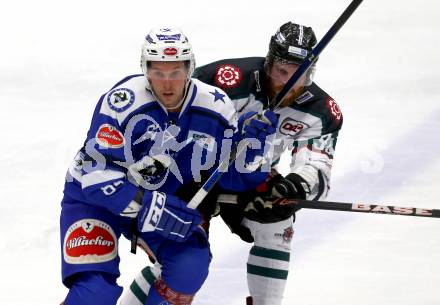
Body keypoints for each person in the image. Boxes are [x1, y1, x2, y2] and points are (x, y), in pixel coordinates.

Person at [122, 22, 343, 305]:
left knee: (277, 221)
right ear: (269, 62)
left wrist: (294, 186)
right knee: (180, 259)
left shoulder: (321, 112)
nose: (289, 83)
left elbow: (317, 166)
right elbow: (169, 116)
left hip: (248, 177)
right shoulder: (224, 80)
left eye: (300, 75)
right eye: (282, 71)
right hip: (190, 174)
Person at [59, 27, 278, 305]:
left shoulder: (216, 106)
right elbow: (95, 174)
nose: (167, 84)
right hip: (94, 201)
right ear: (145, 69)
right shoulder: (122, 101)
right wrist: (150, 206)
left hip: (162, 203)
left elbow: (229, 176)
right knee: (94, 293)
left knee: (190, 265)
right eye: (158, 72)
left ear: (190, 69)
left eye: (176, 72)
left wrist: (253, 149)